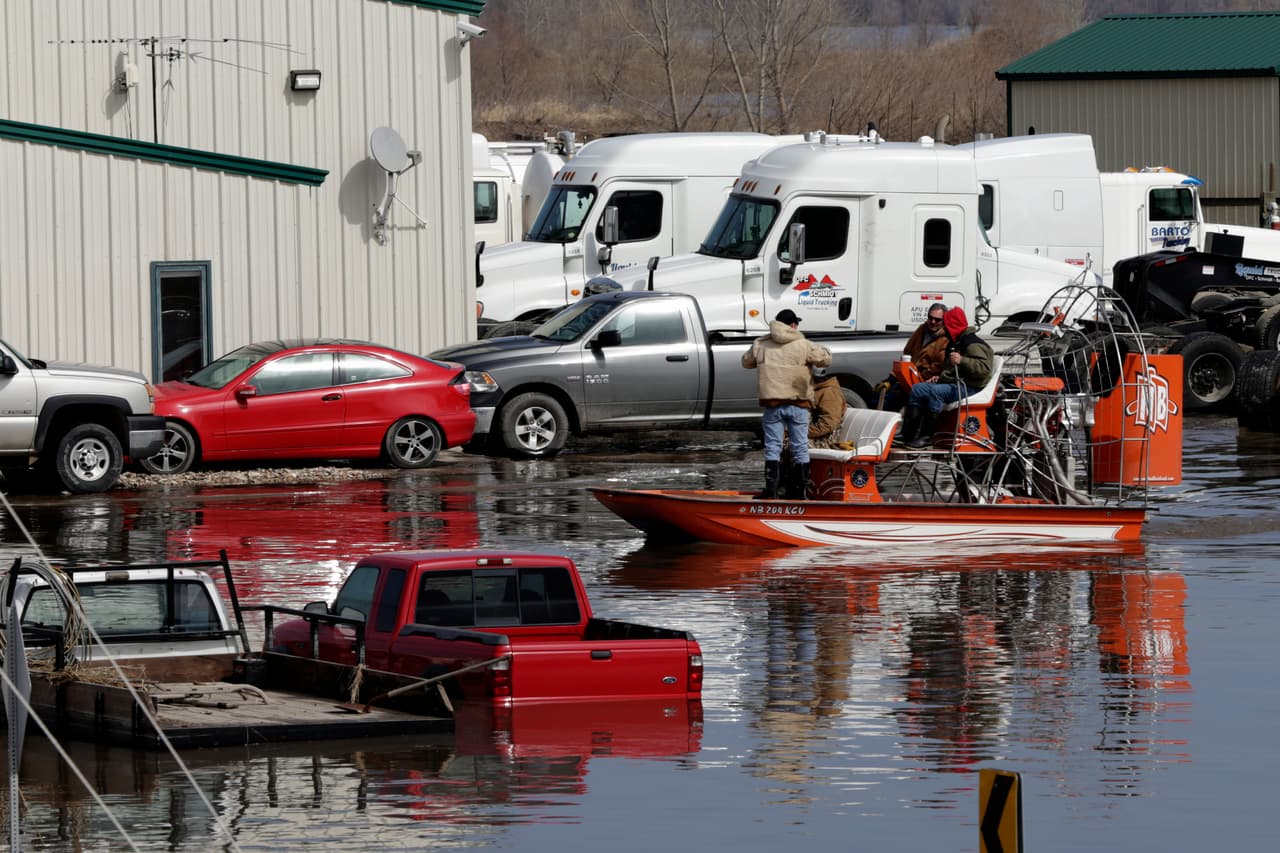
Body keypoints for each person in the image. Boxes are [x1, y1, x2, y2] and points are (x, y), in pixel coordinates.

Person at [742, 309, 832, 499]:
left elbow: (746, 362)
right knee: (800, 447)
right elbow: (825, 360)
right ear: (792, 325)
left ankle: (770, 491)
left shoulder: (761, 343)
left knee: (773, 446)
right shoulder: (803, 344)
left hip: (772, 404)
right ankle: (800, 493)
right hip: (798, 404)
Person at [897, 306, 994, 449]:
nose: (944, 329)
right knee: (918, 389)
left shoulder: (972, 343)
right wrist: (940, 378)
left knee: (936, 392)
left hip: (970, 387)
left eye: (946, 325)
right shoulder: (957, 341)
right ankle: (908, 435)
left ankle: (928, 436)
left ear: (953, 326)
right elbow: (952, 370)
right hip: (957, 383)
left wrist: (962, 360)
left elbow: (984, 370)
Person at [876, 302, 949, 410]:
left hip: (926, 381)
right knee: (886, 396)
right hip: (910, 376)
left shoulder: (945, 339)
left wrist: (917, 377)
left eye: (937, 320)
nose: (933, 322)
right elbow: (907, 353)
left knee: (909, 402)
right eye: (930, 318)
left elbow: (937, 366)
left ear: (943, 320)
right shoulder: (922, 329)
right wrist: (892, 378)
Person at [808, 366, 848, 450]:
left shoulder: (829, 393)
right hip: (803, 434)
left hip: (820, 441)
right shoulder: (814, 391)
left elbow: (827, 425)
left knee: (776, 444)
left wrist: (796, 432)